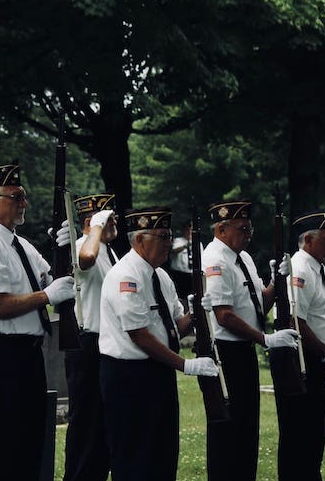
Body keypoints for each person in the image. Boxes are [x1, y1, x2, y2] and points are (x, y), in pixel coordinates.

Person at [0, 163, 75, 481]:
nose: (24, 203)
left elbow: (55, 277)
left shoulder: (20, 245)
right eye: (16, 196)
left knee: (28, 442)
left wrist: (69, 246)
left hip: (26, 352)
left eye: (23, 196)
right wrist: (46, 297)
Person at [99, 207, 218, 481]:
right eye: (162, 236)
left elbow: (173, 328)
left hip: (158, 373)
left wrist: (197, 313)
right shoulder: (125, 277)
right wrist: (185, 365)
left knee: (163, 454)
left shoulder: (161, 277)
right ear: (139, 240)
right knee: (134, 457)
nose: (168, 243)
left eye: (169, 236)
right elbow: (139, 334)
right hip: (128, 376)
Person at [202, 200, 297, 481]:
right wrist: (265, 338)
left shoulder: (241, 257)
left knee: (246, 429)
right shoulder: (216, 260)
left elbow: (258, 307)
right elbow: (224, 316)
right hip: (226, 353)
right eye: (243, 229)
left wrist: (275, 281)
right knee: (228, 433)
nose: (249, 234)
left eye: (250, 228)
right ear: (222, 228)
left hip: (244, 350)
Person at [275, 210, 325, 481]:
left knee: (314, 430)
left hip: (317, 360)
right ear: (308, 240)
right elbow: (294, 320)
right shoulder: (300, 269)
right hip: (302, 359)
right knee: (299, 431)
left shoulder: (320, 268)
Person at [63, 193, 119, 481]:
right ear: (91, 221)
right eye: (109, 217)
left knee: (102, 426)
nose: (115, 222)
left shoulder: (110, 251)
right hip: (87, 344)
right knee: (86, 423)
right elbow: (85, 259)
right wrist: (94, 227)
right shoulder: (83, 246)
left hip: (106, 344)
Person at [168, 221, 195, 304]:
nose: (189, 233)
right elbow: (173, 251)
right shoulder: (178, 241)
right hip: (180, 275)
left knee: (193, 296)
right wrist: (185, 246)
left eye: (191, 230)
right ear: (183, 231)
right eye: (187, 230)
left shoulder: (197, 243)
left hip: (192, 274)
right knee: (181, 296)